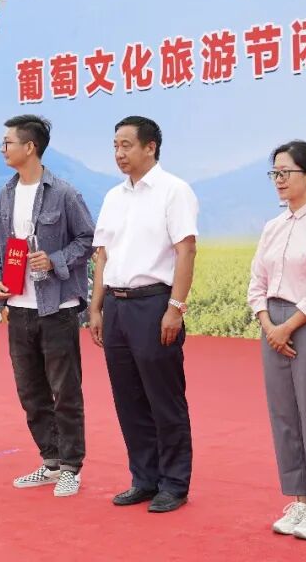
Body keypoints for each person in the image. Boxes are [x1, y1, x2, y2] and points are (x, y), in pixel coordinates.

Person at [89, 116, 197, 513]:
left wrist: (175, 308)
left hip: (154, 304)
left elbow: (186, 250)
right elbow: (103, 255)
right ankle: (144, 478)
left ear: (150, 147)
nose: (119, 153)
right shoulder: (113, 197)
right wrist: (96, 306)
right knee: (128, 398)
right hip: (116, 306)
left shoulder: (174, 191)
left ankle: (174, 483)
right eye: (115, 146)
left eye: (127, 145)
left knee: (163, 397)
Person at [0, 115, 94, 497]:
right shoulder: (5, 195)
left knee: (65, 390)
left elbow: (87, 239)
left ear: (29, 147)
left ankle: (71, 467)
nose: (3, 148)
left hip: (56, 306)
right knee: (30, 391)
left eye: (8, 142)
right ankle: (50, 461)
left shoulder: (63, 193)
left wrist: (55, 260)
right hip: (18, 306)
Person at [247, 140, 306, 540]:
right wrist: (268, 323)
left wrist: (287, 327)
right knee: (284, 416)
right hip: (272, 324)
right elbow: (257, 281)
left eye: (286, 172)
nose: (279, 179)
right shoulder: (273, 227)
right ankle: (300, 501)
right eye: (275, 173)